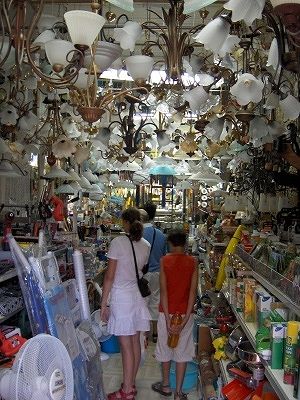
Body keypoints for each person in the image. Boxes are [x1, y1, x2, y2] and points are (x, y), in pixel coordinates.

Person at [100, 207, 151, 400]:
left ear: (125, 223)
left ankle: (127, 391)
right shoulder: (145, 245)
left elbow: (109, 277)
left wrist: (104, 304)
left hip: (121, 299)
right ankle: (130, 384)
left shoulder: (117, 243)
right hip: (137, 298)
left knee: (126, 346)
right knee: (135, 343)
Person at [151, 229, 198, 400]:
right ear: (185, 244)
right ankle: (178, 393)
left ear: (170, 244)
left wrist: (168, 319)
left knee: (165, 350)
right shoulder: (193, 262)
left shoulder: (164, 261)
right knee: (182, 353)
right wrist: (184, 319)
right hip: (186, 314)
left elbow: (163, 292)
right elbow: (192, 293)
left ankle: (165, 386)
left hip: (166, 313)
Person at [141, 201, 167, 343]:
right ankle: (155, 333)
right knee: (156, 301)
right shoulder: (161, 235)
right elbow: (164, 256)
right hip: (157, 273)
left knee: (143, 301)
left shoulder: (138, 234)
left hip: (142, 274)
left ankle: (144, 332)